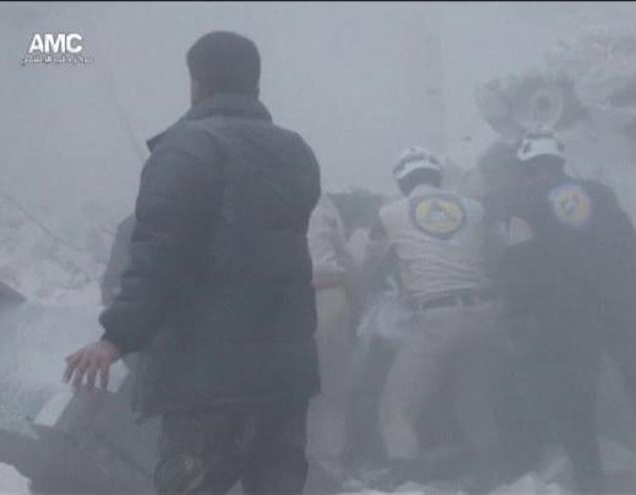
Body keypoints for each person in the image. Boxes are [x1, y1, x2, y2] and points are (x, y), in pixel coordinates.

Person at [63, 31, 321, 495]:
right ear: (255, 84)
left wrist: (116, 337)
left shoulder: (185, 148)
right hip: (285, 370)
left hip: (208, 377)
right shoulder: (295, 151)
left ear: (196, 82)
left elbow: (161, 254)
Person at [499, 128, 636, 493]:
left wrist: (516, 312)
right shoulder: (601, 194)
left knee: (575, 400)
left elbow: (519, 264)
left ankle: (590, 482)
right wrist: (631, 300)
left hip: (566, 318)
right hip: (619, 309)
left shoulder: (523, 206)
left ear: (526, 169)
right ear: (561, 161)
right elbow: (633, 250)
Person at [363, 146, 505, 492]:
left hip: (435, 319)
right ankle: (495, 479)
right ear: (437, 176)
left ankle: (410, 482)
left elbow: (369, 268)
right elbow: (497, 256)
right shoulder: (475, 208)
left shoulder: (389, 214)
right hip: (485, 315)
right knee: (474, 402)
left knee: (396, 407)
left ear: (401, 181)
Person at [305, 191, 358, 488]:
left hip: (272, 301)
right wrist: (361, 300)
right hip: (326, 295)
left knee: (287, 391)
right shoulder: (319, 198)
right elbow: (344, 253)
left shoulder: (241, 192)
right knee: (332, 386)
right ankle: (329, 467)